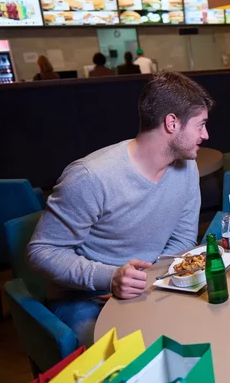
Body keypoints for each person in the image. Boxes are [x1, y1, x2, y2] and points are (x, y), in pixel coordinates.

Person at [27, 71, 214, 346]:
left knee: (205, 331)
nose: (206, 135)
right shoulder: (90, 177)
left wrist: (148, 280)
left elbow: (183, 238)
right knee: (122, 358)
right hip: (87, 298)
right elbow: (41, 252)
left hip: (152, 286)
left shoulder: (187, 167)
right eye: (200, 125)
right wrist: (110, 277)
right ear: (172, 123)